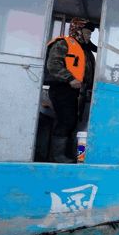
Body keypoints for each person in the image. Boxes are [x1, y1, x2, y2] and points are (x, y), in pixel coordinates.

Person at [44, 18, 97, 163]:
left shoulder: (85, 49)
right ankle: (57, 156)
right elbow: (53, 64)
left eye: (90, 35)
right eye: (87, 33)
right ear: (77, 31)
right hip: (62, 89)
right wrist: (69, 79)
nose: (89, 37)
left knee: (73, 122)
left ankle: (68, 155)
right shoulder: (63, 43)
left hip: (77, 92)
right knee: (65, 121)